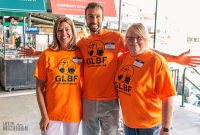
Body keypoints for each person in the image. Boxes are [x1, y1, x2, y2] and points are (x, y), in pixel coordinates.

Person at [18, 2, 200, 135]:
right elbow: (62, 51)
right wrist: (37, 53)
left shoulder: (116, 38)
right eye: (90, 16)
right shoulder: (82, 43)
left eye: (97, 16)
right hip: (87, 100)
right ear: (86, 19)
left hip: (111, 101)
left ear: (103, 18)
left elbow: (143, 49)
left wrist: (175, 58)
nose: (94, 20)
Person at [114, 23, 176, 135]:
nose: (134, 41)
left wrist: (166, 128)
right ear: (126, 40)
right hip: (128, 124)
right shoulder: (122, 58)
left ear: (146, 39)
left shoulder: (157, 61)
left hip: (150, 127)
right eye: (130, 37)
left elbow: (168, 98)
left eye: (139, 37)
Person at [34, 17, 83, 135]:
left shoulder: (81, 52)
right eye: (60, 30)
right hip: (51, 112)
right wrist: (44, 116)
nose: (64, 33)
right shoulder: (47, 55)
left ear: (72, 31)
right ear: (55, 33)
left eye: (67, 29)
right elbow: (39, 89)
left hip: (73, 111)